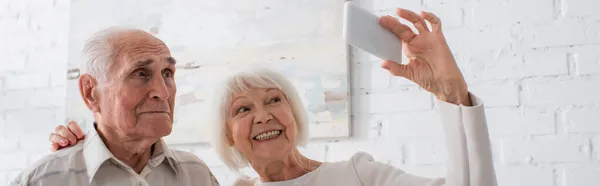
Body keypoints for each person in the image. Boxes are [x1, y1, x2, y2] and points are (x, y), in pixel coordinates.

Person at [47, 9, 498, 186]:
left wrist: (452, 94)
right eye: (243, 109)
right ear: (229, 134)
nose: (263, 116)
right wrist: (86, 148)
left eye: (274, 100)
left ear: (294, 112)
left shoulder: (360, 174)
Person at [11, 27, 219, 186]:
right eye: (141, 74)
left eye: (167, 73)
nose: (163, 92)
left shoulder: (197, 174)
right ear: (90, 92)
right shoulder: (44, 179)